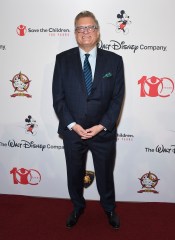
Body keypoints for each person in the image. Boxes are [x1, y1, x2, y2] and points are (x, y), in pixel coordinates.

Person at [52, 10, 125, 229]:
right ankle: (77, 206)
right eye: (80, 28)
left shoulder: (115, 61)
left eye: (90, 27)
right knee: (74, 173)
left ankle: (109, 208)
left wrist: (102, 125)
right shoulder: (62, 60)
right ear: (75, 33)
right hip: (73, 133)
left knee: (105, 174)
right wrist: (73, 126)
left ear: (98, 31)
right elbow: (58, 99)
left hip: (103, 133)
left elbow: (117, 98)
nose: (86, 32)